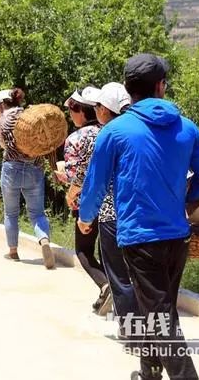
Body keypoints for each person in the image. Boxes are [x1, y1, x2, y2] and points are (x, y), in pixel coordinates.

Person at [78, 54, 199, 380]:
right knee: (155, 310)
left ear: (128, 89)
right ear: (160, 86)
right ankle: (149, 372)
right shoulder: (187, 128)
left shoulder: (114, 132)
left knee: (160, 315)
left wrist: (86, 218)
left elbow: (95, 185)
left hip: (141, 240)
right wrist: (185, 197)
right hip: (178, 237)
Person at [84, 82, 138, 333]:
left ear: (105, 110)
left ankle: (131, 331)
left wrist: (86, 216)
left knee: (120, 276)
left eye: (96, 106)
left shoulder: (109, 134)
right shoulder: (141, 130)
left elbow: (96, 183)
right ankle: (151, 332)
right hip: (145, 214)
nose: (95, 110)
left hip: (113, 215)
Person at [54, 86, 111, 314]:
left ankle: (106, 286)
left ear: (82, 111)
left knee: (83, 250)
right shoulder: (110, 132)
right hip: (113, 202)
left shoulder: (76, 138)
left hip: (86, 201)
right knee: (107, 250)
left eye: (73, 108)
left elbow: (78, 175)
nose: (71, 113)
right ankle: (111, 290)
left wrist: (64, 181)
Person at [0, 88, 55, 269]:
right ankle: (43, 240)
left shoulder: (2, 121)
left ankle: (13, 251)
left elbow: (2, 145)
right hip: (34, 168)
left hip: (11, 167)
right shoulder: (30, 116)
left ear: (1, 104)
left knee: (11, 212)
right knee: (37, 212)